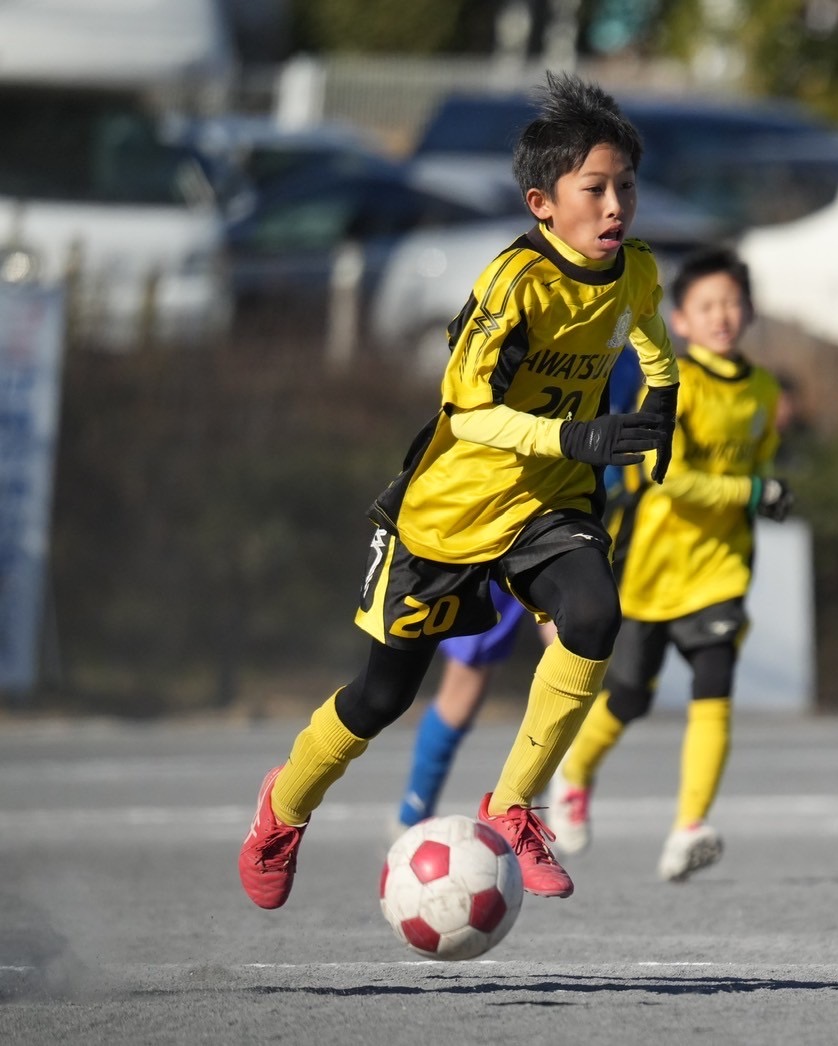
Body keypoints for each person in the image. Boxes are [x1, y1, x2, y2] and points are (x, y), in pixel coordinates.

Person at [238, 71, 681, 909]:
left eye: (626, 184)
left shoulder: (634, 271)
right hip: (447, 513)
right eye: (595, 188)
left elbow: (651, 329)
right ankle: (284, 807)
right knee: (381, 698)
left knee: (592, 617)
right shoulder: (514, 285)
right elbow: (468, 411)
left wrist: (663, 397)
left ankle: (513, 808)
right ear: (541, 202)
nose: (616, 204)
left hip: (548, 501)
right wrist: (576, 434)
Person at [547, 245, 792, 883]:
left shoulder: (764, 390)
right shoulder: (672, 384)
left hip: (720, 570)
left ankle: (690, 826)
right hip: (651, 569)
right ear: (679, 320)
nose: (722, 316)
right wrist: (754, 492)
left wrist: (767, 488)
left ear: (750, 312)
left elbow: (756, 464)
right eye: (707, 305)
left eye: (733, 304)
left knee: (715, 690)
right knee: (627, 696)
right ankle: (575, 774)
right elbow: (668, 479)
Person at [392, 347, 643, 832]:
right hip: (492, 523)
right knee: (462, 692)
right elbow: (471, 414)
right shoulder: (518, 319)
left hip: (565, 528)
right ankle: (411, 816)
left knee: (577, 650)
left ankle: (557, 794)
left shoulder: (631, 353)